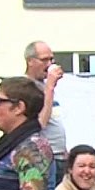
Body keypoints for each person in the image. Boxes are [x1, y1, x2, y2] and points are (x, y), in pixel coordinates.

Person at [23, 40, 67, 180]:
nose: (49, 64)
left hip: (59, 155)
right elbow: (42, 120)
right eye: (44, 60)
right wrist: (50, 87)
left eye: (51, 59)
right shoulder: (25, 87)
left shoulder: (46, 86)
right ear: (30, 61)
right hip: (43, 157)